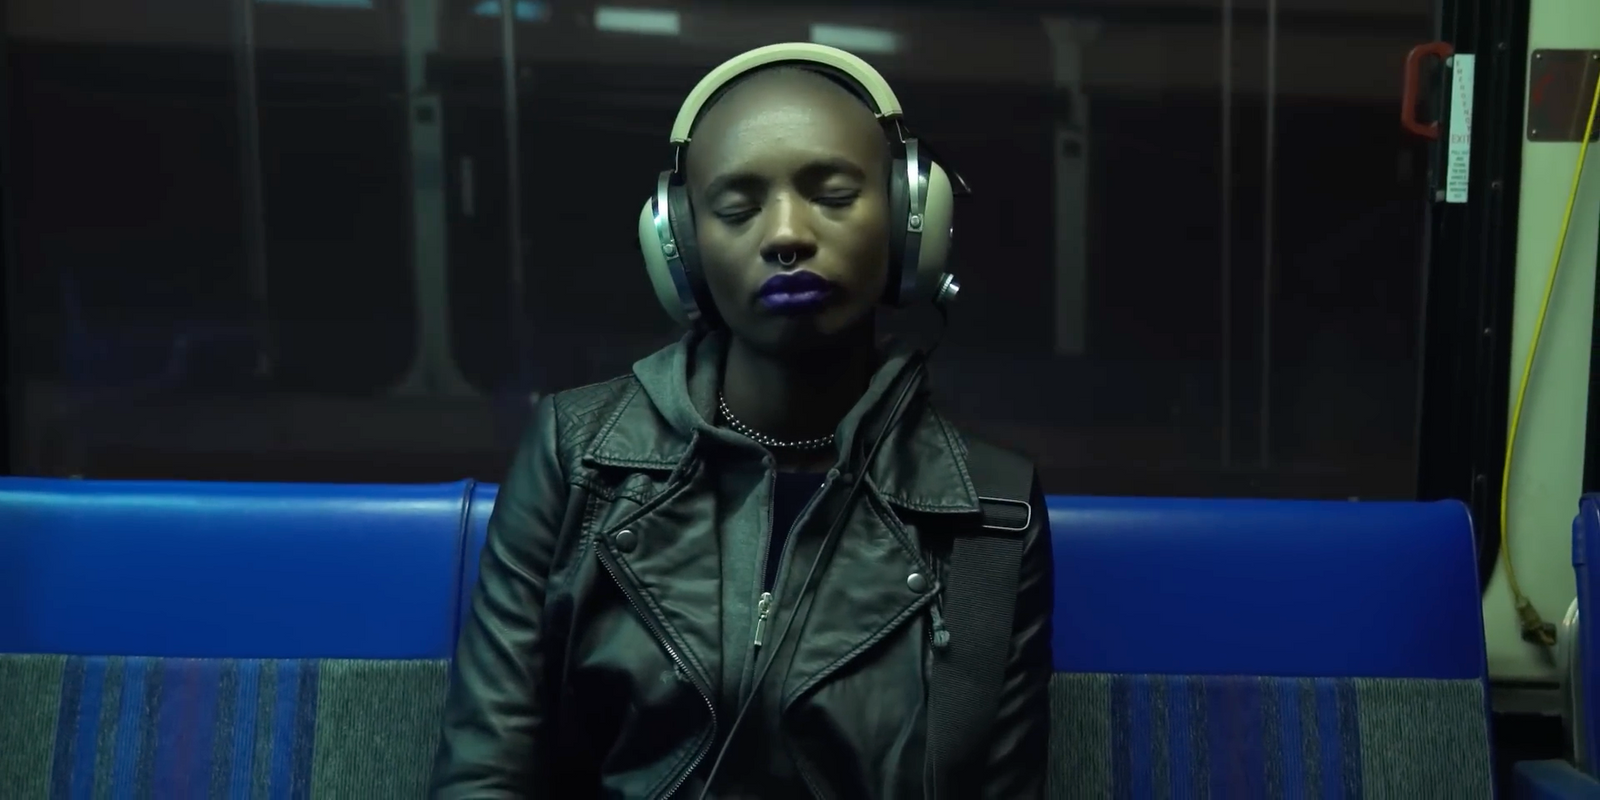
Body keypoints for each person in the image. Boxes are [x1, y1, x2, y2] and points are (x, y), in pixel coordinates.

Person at [430, 43, 1054, 799]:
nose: (787, 233)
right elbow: (485, 774)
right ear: (682, 249)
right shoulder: (579, 456)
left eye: (831, 194)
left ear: (907, 224)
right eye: (737, 207)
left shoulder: (987, 509)